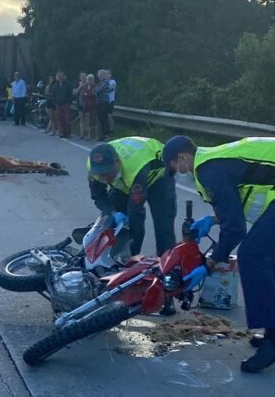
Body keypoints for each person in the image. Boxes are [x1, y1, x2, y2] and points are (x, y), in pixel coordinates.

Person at [162, 136, 275, 373]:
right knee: (267, 258)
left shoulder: (207, 169)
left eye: (173, 167)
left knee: (251, 255)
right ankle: (272, 331)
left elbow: (235, 229)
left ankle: (273, 342)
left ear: (182, 158)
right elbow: (237, 201)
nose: (176, 173)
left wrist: (210, 263)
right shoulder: (213, 160)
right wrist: (213, 220)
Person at [88, 137, 176, 258]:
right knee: (110, 220)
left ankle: (165, 262)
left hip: (158, 177)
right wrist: (113, 213)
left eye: (107, 172)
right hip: (125, 178)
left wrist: (132, 255)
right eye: (100, 173)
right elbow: (98, 197)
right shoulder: (93, 166)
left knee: (162, 221)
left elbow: (136, 212)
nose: (104, 177)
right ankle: (113, 255)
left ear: (116, 162)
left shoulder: (135, 167)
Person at [51, 71, 72, 138]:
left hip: (66, 104)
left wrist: (69, 102)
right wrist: (55, 102)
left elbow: (70, 94)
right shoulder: (55, 85)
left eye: (61, 76)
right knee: (60, 118)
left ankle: (68, 133)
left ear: (63, 76)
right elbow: (53, 94)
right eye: (58, 76)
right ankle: (61, 132)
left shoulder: (67, 84)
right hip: (58, 104)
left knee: (67, 119)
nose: (60, 77)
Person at [94, 69, 110, 140]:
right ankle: (102, 135)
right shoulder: (100, 83)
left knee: (104, 118)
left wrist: (95, 90)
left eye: (101, 75)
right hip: (99, 102)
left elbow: (97, 91)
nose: (99, 76)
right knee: (100, 119)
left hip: (104, 102)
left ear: (104, 75)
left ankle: (106, 134)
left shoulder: (105, 83)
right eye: (99, 75)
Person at [81, 74, 98, 140]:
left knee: (95, 121)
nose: (90, 81)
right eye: (88, 79)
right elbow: (83, 94)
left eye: (91, 79)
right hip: (87, 106)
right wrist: (87, 94)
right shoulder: (85, 86)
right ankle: (89, 135)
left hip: (94, 106)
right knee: (88, 121)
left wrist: (87, 94)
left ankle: (96, 136)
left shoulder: (95, 86)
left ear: (93, 80)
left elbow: (93, 94)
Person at [72, 72, 87, 138]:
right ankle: (82, 134)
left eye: (84, 76)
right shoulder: (77, 84)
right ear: (80, 78)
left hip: (88, 104)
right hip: (80, 103)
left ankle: (88, 134)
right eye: (82, 76)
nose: (83, 78)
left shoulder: (88, 84)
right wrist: (80, 87)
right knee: (81, 119)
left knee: (88, 119)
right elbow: (74, 93)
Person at [106, 70, 116, 135]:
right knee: (105, 116)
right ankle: (106, 130)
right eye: (106, 74)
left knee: (110, 116)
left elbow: (110, 89)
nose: (107, 75)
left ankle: (111, 130)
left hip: (111, 100)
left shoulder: (113, 82)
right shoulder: (104, 82)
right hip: (105, 101)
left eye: (109, 74)